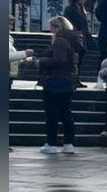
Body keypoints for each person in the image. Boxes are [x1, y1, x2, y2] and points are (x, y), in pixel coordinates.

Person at [31, 16, 84, 154]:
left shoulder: (60, 41)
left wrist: (41, 61)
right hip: (67, 81)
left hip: (55, 80)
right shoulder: (72, 40)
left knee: (52, 114)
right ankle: (69, 143)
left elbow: (59, 60)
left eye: (51, 29)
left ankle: (51, 143)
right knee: (66, 113)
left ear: (57, 28)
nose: (50, 32)